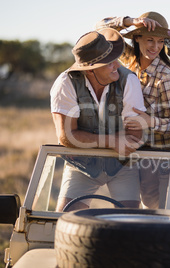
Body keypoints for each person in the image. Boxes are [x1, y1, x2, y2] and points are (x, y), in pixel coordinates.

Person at [96, 12, 170, 209]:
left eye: (160, 41)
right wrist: (131, 21)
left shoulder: (166, 77)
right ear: (137, 38)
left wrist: (150, 121)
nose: (155, 47)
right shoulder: (129, 60)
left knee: (163, 212)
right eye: (149, 40)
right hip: (137, 154)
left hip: (163, 158)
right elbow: (101, 32)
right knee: (144, 208)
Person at [50, 28, 146, 212]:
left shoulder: (129, 81)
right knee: (64, 220)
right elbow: (67, 137)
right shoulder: (65, 83)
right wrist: (113, 140)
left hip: (122, 165)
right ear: (90, 70)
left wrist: (84, 139)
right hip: (81, 166)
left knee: (131, 223)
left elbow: (135, 136)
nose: (117, 65)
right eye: (110, 63)